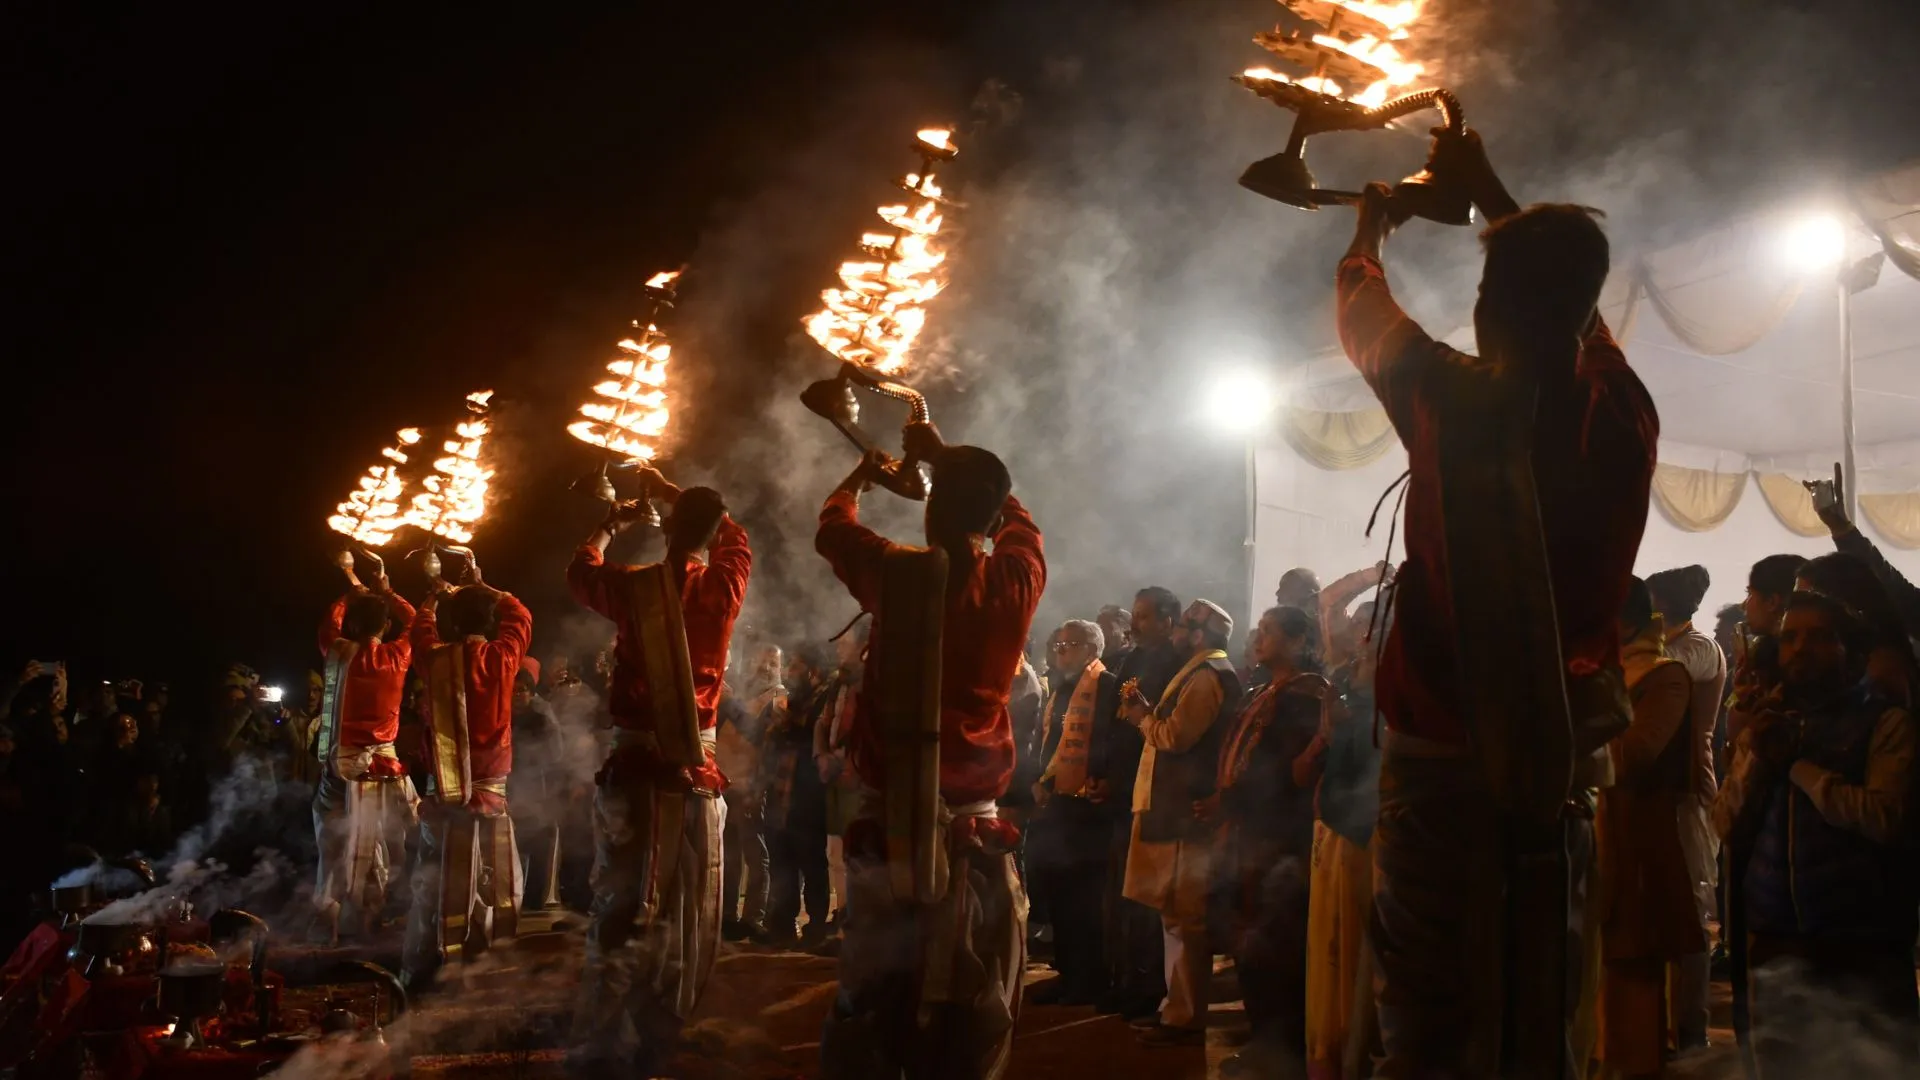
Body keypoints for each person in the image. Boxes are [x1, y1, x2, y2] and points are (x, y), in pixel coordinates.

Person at [1336, 126, 1658, 1076]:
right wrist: (1487, 191)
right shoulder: (1624, 405)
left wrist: (1370, 226)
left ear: (1488, 307)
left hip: (1443, 764)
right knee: (1540, 999)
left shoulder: (1454, 399)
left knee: (1435, 1015)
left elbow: (1361, 305)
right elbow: (1573, 305)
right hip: (1561, 764)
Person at [814, 423, 1045, 1080]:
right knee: (976, 1009)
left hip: (892, 833)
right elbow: (1018, 516)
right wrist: (945, 457)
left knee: (872, 1003)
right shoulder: (1019, 576)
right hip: (975, 830)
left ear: (930, 508)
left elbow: (831, 525)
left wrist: (860, 477)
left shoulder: (897, 572)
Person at [564, 468, 751, 1079]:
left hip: (636, 771)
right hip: (694, 773)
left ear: (668, 531)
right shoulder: (724, 585)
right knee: (685, 903)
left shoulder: (635, 585)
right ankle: (662, 1025)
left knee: (620, 898)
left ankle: (603, 1028)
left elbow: (580, 569)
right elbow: (735, 538)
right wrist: (675, 491)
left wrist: (609, 525)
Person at [1712, 591, 1917, 1075]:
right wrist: (1758, 757)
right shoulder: (1768, 724)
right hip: (1774, 940)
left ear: (1853, 651)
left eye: (1819, 638)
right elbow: (1724, 824)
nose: (1800, 649)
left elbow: (1883, 819)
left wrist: (1798, 767)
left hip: (1860, 942)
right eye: (1790, 639)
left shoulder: (1885, 723)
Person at [1592, 578, 1708, 1078]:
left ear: (1624, 621)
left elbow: (1635, 756)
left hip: (1634, 841)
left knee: (1632, 975)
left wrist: (1572, 741)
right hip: (1596, 835)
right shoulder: (1600, 671)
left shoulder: (1665, 675)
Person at [1120, 599, 1245, 1048]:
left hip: (1185, 815)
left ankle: (1185, 1015)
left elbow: (1175, 736)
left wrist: (1143, 718)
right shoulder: (1199, 671)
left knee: (1186, 916)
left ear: (1197, 635)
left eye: (1182, 628)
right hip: (1175, 810)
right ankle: (1175, 1008)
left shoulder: (1208, 675)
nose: (1173, 633)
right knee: (1176, 915)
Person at [1207, 606, 1325, 1073]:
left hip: (1279, 834)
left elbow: (1284, 771)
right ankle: (1262, 1040)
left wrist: (1231, 800)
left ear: (1297, 642)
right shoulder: (1261, 689)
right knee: (1248, 937)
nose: (1259, 637)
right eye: (1259, 629)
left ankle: (1281, 1049)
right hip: (1248, 829)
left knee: (1276, 943)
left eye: (1270, 631)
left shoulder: (1305, 695)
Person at [402, 578, 533, 988]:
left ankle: (427, 968)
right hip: (491, 798)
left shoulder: (435, 658)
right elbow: (522, 615)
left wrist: (432, 598)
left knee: (433, 883)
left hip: (444, 798)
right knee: (492, 884)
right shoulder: (503, 656)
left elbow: (419, 629)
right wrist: (486, 586)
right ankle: (482, 968)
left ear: (452, 625)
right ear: (490, 622)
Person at [312, 562, 417, 945]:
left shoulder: (338, 653)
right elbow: (418, 621)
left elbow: (329, 623)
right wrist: (389, 593)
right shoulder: (398, 656)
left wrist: (348, 593)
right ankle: (372, 923)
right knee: (381, 846)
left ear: (353, 627)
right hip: (383, 769)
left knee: (333, 845)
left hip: (341, 767)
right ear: (384, 627)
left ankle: (330, 927)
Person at [1644, 565, 1725, 1054]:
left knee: (1690, 909)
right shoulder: (1671, 644)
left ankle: (1692, 1028)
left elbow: (1660, 672)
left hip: (1689, 787)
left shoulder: (1696, 648)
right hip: (1658, 791)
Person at [1094, 586, 1184, 1020]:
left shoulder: (1177, 666)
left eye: (1145, 617)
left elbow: (1162, 730)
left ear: (1168, 621)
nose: (1136, 624)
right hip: (1119, 792)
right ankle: (1124, 977)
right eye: (1135, 615)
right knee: (1118, 893)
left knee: (1144, 897)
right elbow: (1113, 725)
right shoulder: (1128, 661)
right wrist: (1102, 775)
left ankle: (1148, 986)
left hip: (1149, 794)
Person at [1305, 601, 1386, 1080]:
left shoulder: (1389, 702)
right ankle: (1329, 1055)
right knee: (1330, 949)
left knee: (1353, 957)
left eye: (1368, 633)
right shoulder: (1353, 690)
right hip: (1336, 834)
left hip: (1363, 839)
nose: (1358, 641)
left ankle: (1350, 1059)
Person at [1027, 618, 1120, 1007]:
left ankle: (1090, 978)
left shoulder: (1108, 685)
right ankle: (1067, 972)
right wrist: (1038, 778)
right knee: (1060, 892)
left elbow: (1118, 740)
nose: (1061, 650)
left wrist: (1107, 778)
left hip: (1090, 809)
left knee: (1085, 897)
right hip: (1057, 805)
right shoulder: (1061, 688)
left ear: (1092, 650)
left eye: (1071, 644)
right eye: (1059, 644)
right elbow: (1048, 740)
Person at [762, 643, 833, 945]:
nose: (790, 673)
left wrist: (787, 727)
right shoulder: (790, 702)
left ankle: (816, 927)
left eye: (795, 666)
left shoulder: (823, 700)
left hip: (809, 798)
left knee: (812, 864)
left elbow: (814, 741)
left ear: (812, 671)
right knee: (783, 863)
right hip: (782, 795)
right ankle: (782, 925)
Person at [718, 645, 783, 941]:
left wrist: (757, 786)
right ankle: (727, 915)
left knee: (755, 855)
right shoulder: (740, 697)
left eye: (772, 663)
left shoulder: (779, 699)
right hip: (726, 784)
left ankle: (753, 916)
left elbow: (766, 745)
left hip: (750, 786)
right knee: (729, 855)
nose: (766, 669)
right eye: (761, 663)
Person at [813, 621, 868, 936]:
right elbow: (823, 723)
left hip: (856, 776)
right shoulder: (839, 683)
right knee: (835, 850)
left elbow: (868, 731)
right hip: (834, 774)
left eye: (844, 643)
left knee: (855, 850)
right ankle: (843, 913)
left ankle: (857, 918)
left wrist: (844, 758)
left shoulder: (871, 685)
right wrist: (821, 755)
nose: (838, 648)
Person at [1728, 555, 1809, 744]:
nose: (1743, 604)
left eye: (1750, 594)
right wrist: (1743, 700)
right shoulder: (1760, 655)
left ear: (1772, 602)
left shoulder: (1788, 663)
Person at [1097, 604, 1135, 670]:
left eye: (1109, 627)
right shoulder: (1096, 665)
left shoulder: (1133, 664)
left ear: (1126, 634)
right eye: (1098, 627)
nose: (1100, 633)